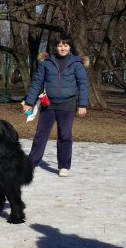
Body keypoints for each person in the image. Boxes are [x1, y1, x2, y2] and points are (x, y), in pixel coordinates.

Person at [22, 33, 89, 177]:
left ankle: (64, 166)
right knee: (41, 134)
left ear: (69, 47)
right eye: (60, 45)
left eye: (65, 45)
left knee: (65, 135)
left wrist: (82, 104)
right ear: (56, 47)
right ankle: (32, 163)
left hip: (68, 104)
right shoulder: (47, 62)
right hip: (48, 104)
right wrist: (29, 102)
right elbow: (37, 83)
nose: (63, 48)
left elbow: (83, 84)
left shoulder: (76, 64)